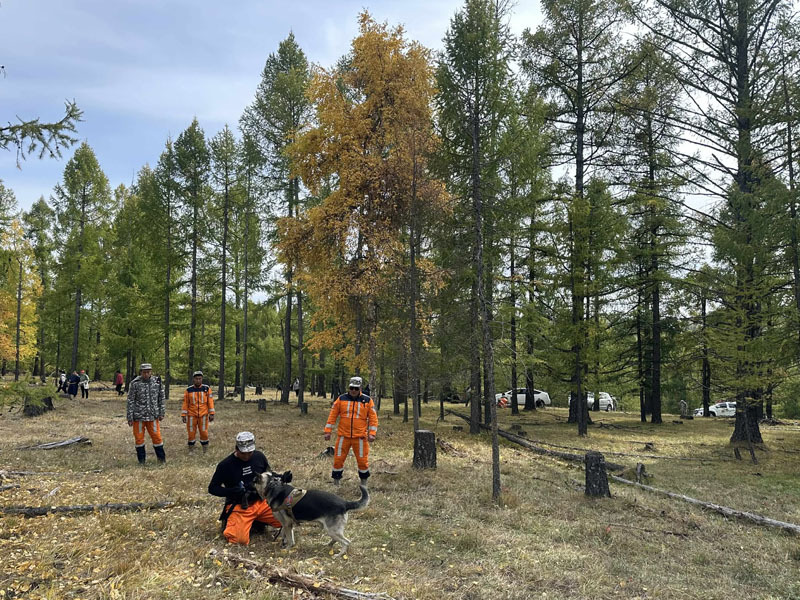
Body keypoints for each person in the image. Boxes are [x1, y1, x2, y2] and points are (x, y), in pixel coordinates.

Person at [208, 431, 282, 545]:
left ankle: (257, 522)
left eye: (250, 453)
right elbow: (212, 488)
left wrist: (282, 477)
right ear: (236, 449)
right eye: (243, 453)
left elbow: (269, 474)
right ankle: (234, 523)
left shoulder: (259, 457)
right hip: (240, 506)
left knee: (287, 518)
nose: (247, 456)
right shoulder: (225, 465)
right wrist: (232, 491)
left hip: (261, 502)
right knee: (238, 540)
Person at [323, 376, 378, 487]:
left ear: (360, 389)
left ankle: (363, 484)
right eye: (352, 388)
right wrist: (327, 431)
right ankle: (336, 482)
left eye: (356, 389)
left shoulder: (367, 400)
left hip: (360, 438)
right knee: (338, 459)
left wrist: (372, 434)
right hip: (343, 436)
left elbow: (373, 418)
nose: (353, 391)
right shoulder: (341, 399)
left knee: (362, 461)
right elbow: (332, 415)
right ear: (349, 387)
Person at [126, 362, 166, 465]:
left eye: (148, 372)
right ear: (141, 372)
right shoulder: (135, 383)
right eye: (144, 372)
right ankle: (142, 461)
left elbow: (161, 397)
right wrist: (130, 417)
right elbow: (130, 400)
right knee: (139, 439)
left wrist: (162, 412)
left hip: (153, 416)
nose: (146, 374)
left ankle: (161, 460)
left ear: (151, 372)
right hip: (138, 416)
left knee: (157, 437)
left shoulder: (157, 382)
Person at [182, 370, 215, 452]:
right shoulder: (188, 390)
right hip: (191, 415)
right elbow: (185, 403)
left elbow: (210, 402)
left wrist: (212, 413)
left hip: (203, 415)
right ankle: (191, 450)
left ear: (202, 379)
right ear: (193, 379)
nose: (198, 380)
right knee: (191, 433)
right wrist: (183, 415)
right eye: (196, 379)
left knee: (204, 432)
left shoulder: (206, 389)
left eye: (200, 379)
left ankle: (205, 450)